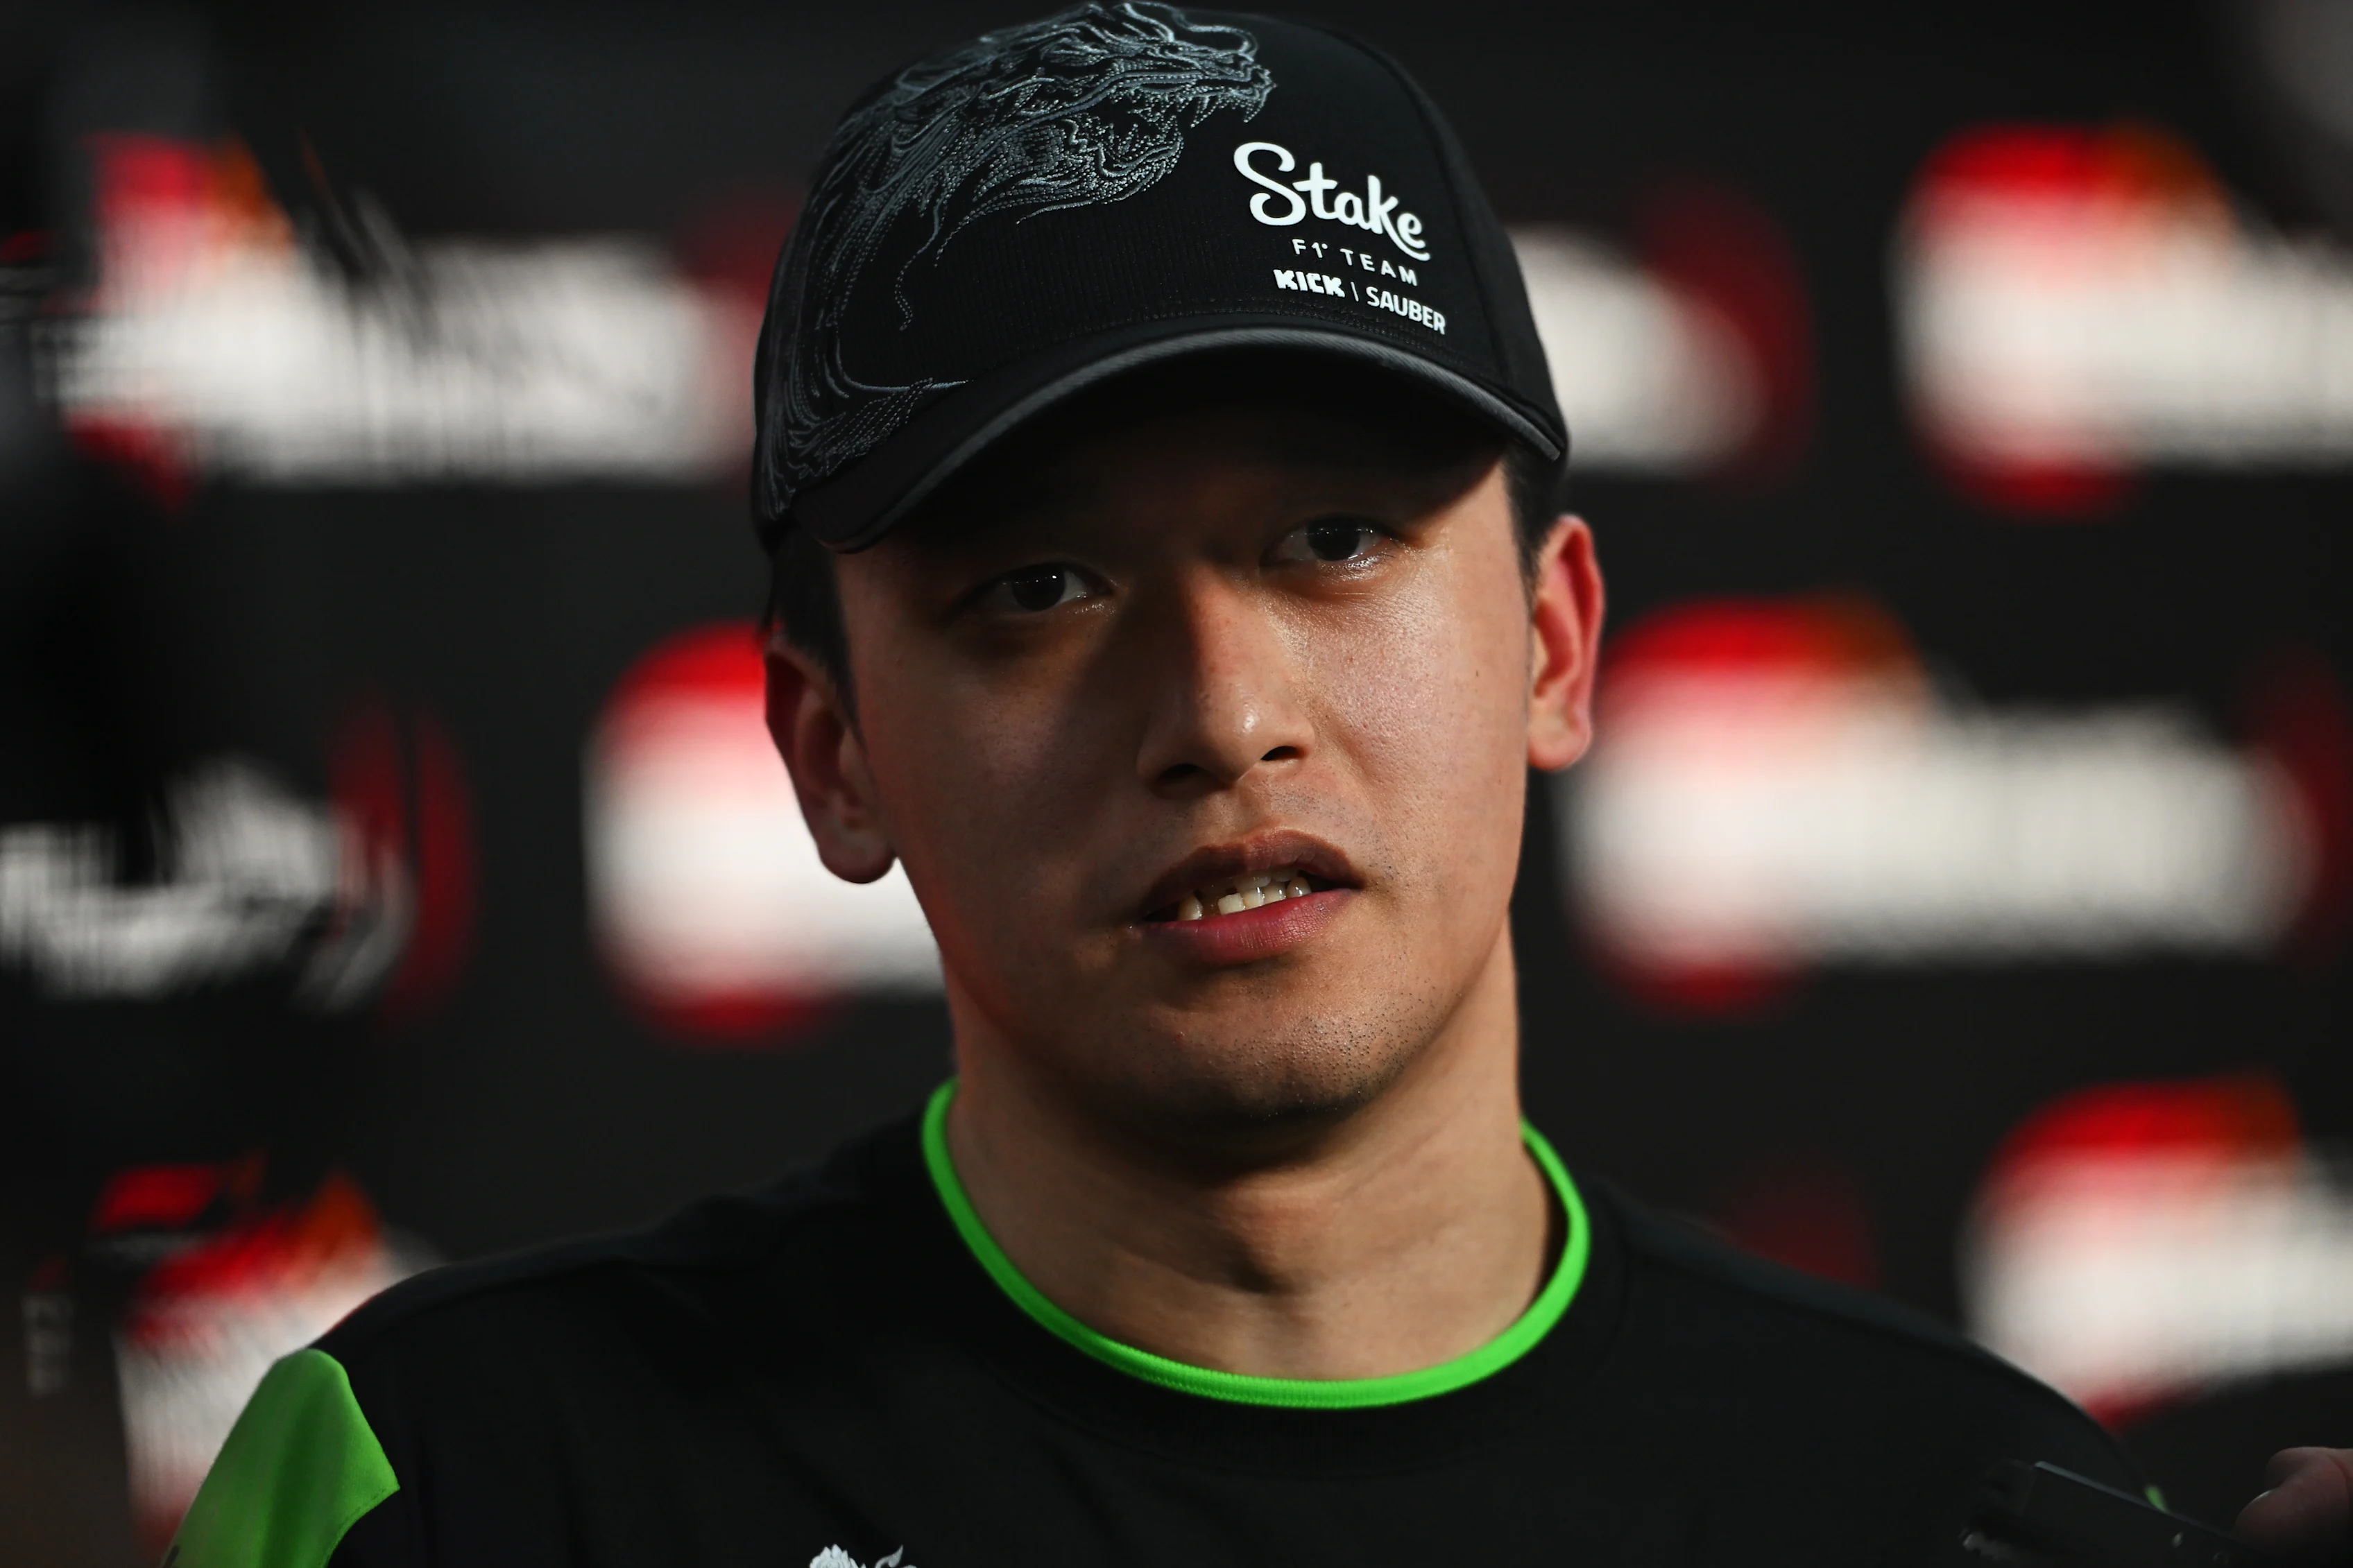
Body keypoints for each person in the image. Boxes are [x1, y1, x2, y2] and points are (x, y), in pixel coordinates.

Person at [168, 6, 2350, 1566]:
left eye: (1334, 542)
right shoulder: (450, 1487)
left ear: (1556, 642)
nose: (1220, 709)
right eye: (1035, 585)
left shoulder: (1966, 1513)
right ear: (831, 749)